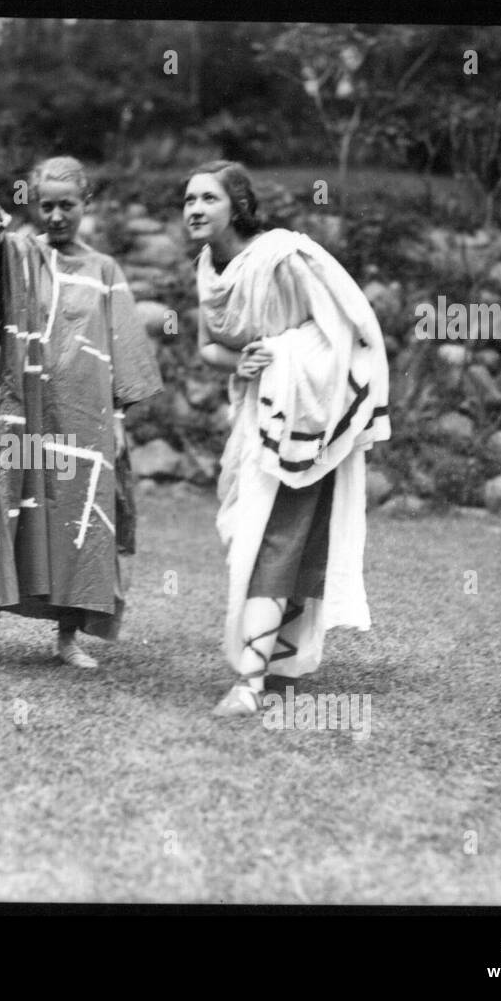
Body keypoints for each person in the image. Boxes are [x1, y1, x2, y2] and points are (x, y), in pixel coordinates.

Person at [183, 160, 390, 716]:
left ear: (237, 207)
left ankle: (249, 683)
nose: (194, 210)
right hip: (256, 413)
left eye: (207, 199)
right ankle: (271, 660)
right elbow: (208, 347)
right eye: (188, 201)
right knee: (245, 535)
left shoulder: (284, 256)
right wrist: (244, 361)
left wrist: (283, 358)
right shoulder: (208, 267)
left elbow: (350, 326)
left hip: (306, 409)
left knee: (272, 539)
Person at [0, 157, 163, 669]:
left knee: (77, 519)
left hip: (80, 420)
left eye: (66, 205)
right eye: (45, 205)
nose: (55, 215)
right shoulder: (20, 255)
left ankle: (67, 638)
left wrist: (116, 420)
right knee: (3, 508)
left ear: (85, 204)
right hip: (16, 409)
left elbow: (122, 349)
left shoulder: (105, 270)